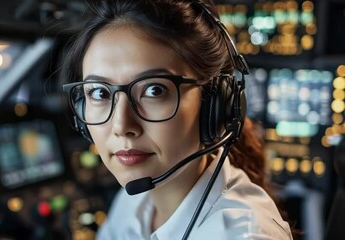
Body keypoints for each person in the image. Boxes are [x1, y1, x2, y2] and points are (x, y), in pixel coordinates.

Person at [60, 0, 293, 239]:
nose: (122, 127)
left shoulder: (243, 235)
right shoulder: (135, 200)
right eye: (100, 92)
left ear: (215, 105)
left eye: (154, 91)